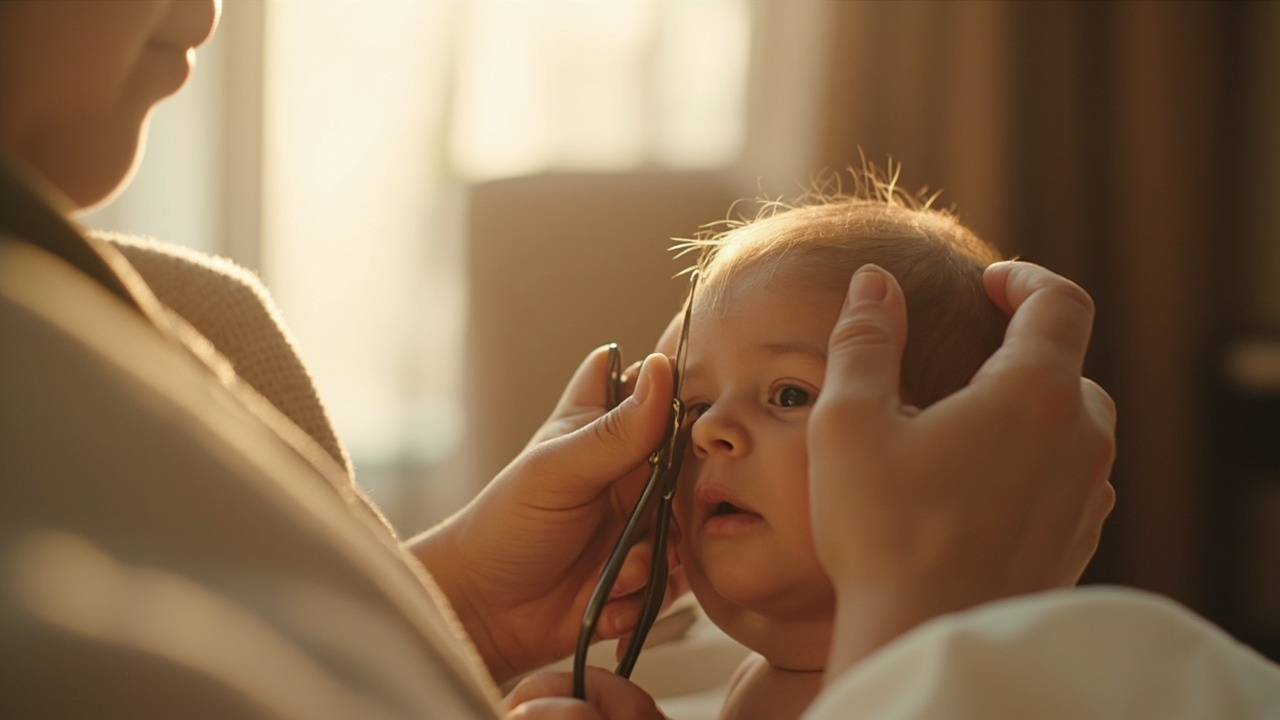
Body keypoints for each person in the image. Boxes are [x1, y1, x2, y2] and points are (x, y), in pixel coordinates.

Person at [3, 2, 1257, 720]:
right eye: (699, 401)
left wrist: (457, 619)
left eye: (785, 396)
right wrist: (907, 626)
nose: (704, 436)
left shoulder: (1111, 671)